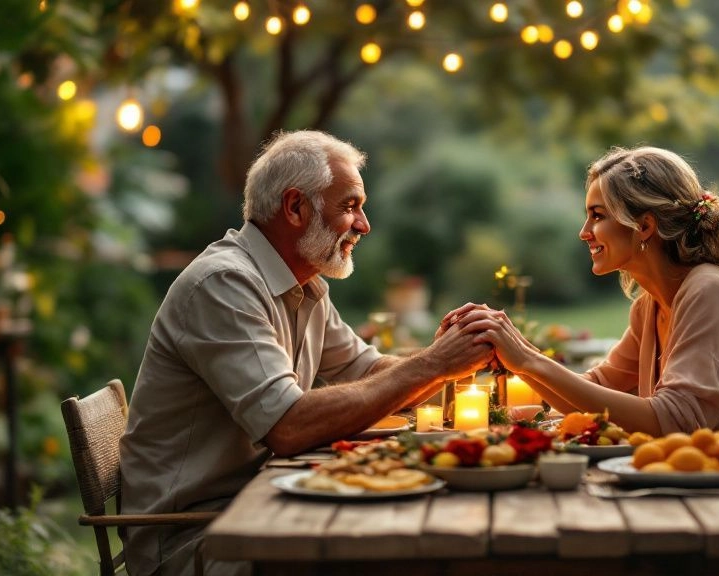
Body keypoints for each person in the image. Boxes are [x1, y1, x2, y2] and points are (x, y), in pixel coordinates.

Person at [450, 146, 719, 576]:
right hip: (713, 495)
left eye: (597, 215)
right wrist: (514, 361)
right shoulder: (651, 305)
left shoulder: (710, 292)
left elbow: (676, 421)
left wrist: (528, 360)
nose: (584, 232)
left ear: (645, 226)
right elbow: (598, 387)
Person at [119, 130, 493, 576]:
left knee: (410, 530)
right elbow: (287, 426)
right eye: (350, 206)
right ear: (295, 207)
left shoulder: (303, 284)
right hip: (196, 538)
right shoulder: (223, 284)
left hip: (260, 505)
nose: (364, 225)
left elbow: (367, 369)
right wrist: (433, 364)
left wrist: (461, 362)